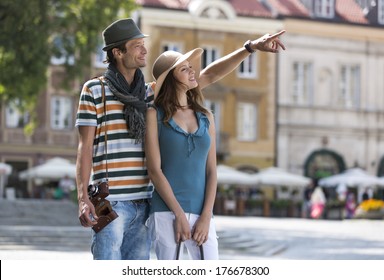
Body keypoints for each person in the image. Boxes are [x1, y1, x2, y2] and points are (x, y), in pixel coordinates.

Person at [75, 17, 285, 260]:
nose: (145, 49)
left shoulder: (147, 93)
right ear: (118, 52)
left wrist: (249, 48)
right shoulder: (94, 90)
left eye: (144, 43)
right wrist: (82, 198)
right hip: (109, 202)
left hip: (144, 202)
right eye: (137, 45)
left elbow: (208, 75)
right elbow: (85, 148)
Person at [145, 31, 285, 259]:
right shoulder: (154, 114)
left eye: (191, 67)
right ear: (170, 78)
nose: (193, 71)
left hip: (202, 213)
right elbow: (154, 170)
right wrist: (178, 215)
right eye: (184, 68)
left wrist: (207, 216)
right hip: (166, 211)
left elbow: (212, 171)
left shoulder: (205, 117)